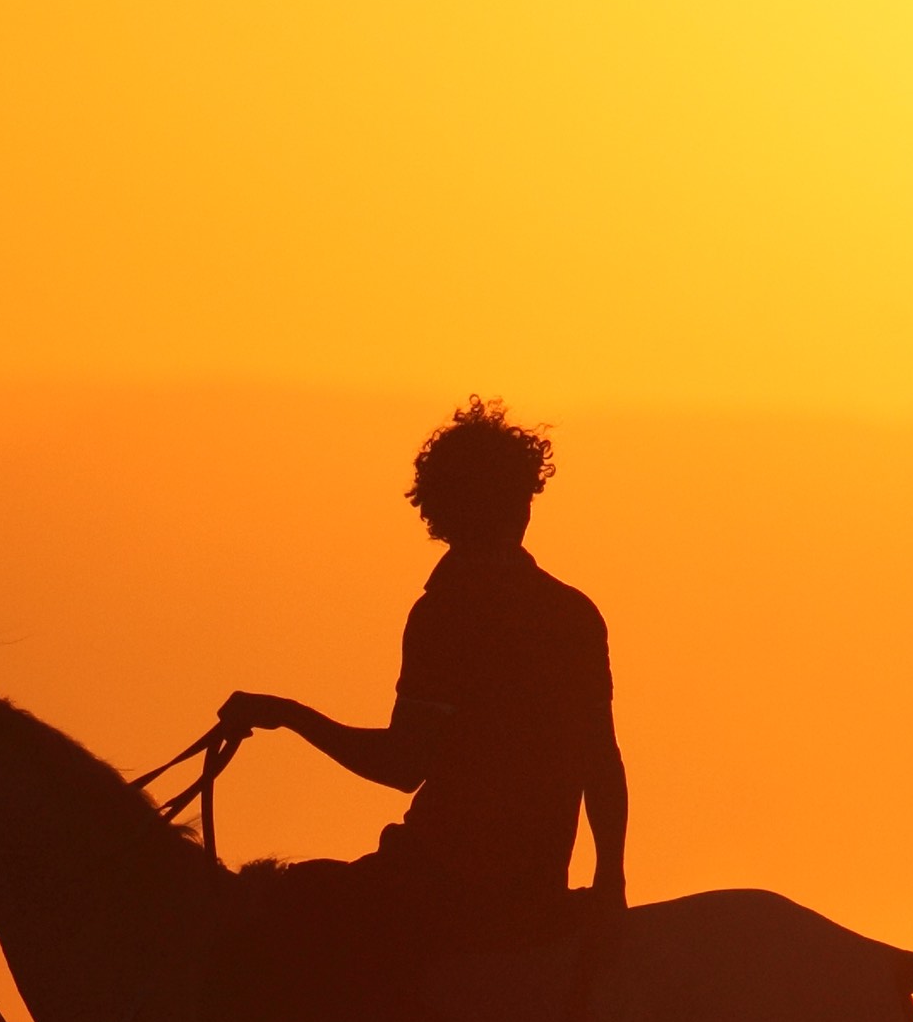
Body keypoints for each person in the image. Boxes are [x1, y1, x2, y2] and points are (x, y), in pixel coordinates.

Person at [216, 398, 627, 958]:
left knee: (281, 911)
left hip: (444, 881)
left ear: (440, 510)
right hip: (536, 888)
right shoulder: (573, 612)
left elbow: (403, 767)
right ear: (523, 503)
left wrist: (290, 716)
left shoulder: (445, 613)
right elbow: (601, 760)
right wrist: (610, 884)